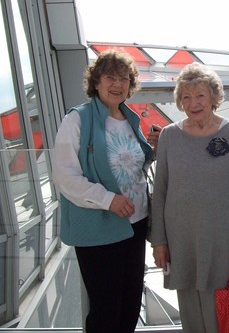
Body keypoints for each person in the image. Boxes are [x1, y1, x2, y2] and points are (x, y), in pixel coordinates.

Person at [52, 49, 158, 333]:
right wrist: (107, 200)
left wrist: (154, 151)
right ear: (96, 81)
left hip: (134, 225)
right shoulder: (77, 119)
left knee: (130, 305)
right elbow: (64, 176)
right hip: (100, 229)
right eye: (110, 77)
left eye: (124, 79)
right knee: (105, 312)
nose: (117, 84)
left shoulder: (130, 119)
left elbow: (131, 167)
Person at [150, 63, 229, 333]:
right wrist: (159, 241)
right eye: (186, 96)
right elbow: (159, 191)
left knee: (224, 315)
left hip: (222, 240)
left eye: (200, 95)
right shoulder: (170, 136)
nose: (193, 102)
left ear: (214, 98)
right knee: (191, 317)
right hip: (180, 240)